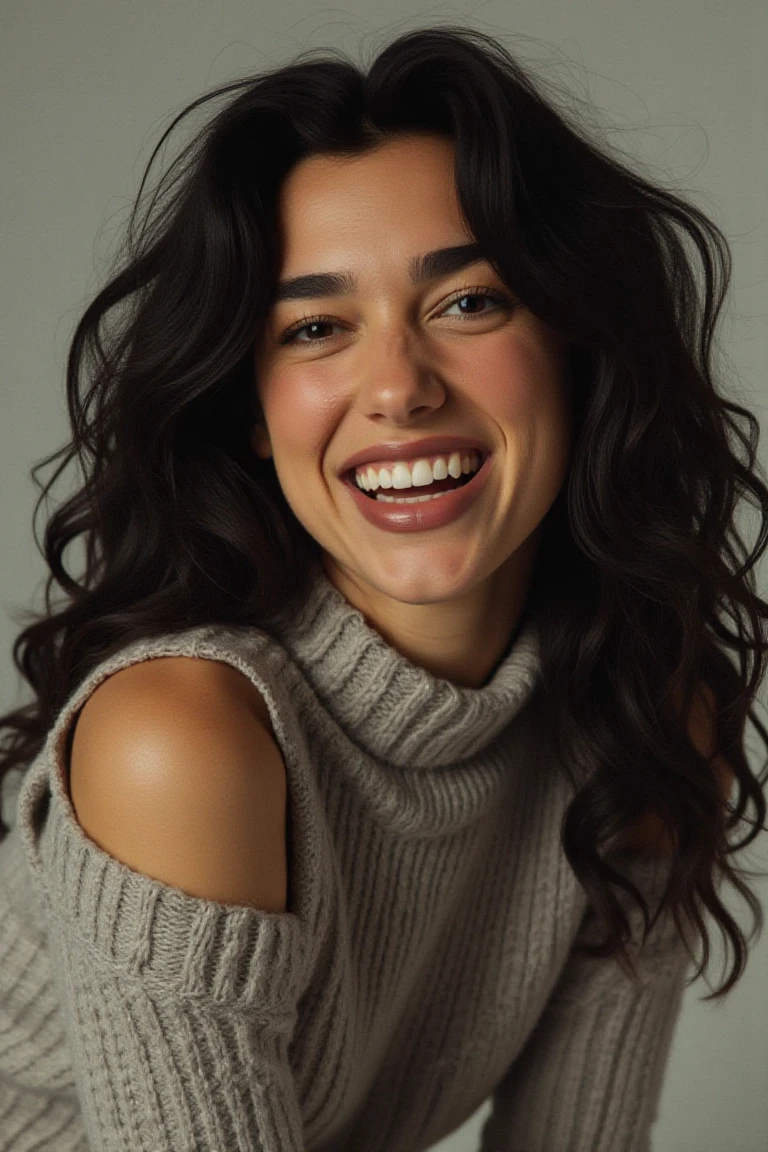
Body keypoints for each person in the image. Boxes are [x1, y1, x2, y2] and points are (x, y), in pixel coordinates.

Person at [1, 24, 766, 1152]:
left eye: (469, 303)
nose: (398, 387)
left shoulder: (643, 713)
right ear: (251, 417)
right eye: (316, 328)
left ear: (578, 343)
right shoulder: (182, 737)